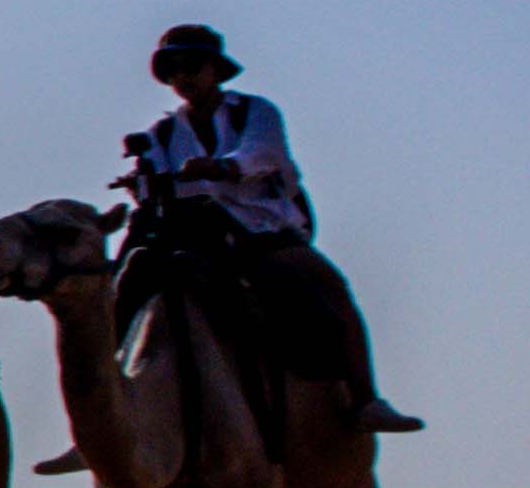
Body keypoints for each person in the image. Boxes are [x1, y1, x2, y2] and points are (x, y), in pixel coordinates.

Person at [119, 23, 422, 430]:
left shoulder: (255, 112)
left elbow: (263, 154)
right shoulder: (163, 132)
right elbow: (152, 178)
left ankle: (365, 399)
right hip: (192, 236)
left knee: (330, 289)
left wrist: (224, 167)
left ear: (215, 69)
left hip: (260, 233)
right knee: (115, 293)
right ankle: (106, 414)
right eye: (172, 69)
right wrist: (138, 184)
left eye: (191, 65)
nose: (182, 77)